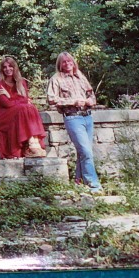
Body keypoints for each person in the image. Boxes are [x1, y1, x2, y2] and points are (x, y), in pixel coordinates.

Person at [46, 52, 102, 191]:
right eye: (64, 62)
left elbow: (91, 95)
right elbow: (51, 99)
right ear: (60, 64)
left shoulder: (80, 76)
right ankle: (94, 185)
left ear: (73, 62)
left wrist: (89, 101)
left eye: (69, 61)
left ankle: (79, 181)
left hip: (87, 117)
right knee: (86, 151)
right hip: (73, 117)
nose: (67, 64)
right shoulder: (56, 79)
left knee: (83, 152)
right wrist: (73, 101)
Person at [0, 56, 46, 159]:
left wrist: (9, 96)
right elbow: (6, 104)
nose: (8, 69)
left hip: (15, 110)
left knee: (30, 107)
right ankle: (32, 145)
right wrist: (15, 99)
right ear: (1, 69)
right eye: (4, 67)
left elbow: (25, 100)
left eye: (10, 66)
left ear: (15, 67)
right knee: (24, 108)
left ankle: (34, 142)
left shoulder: (21, 82)